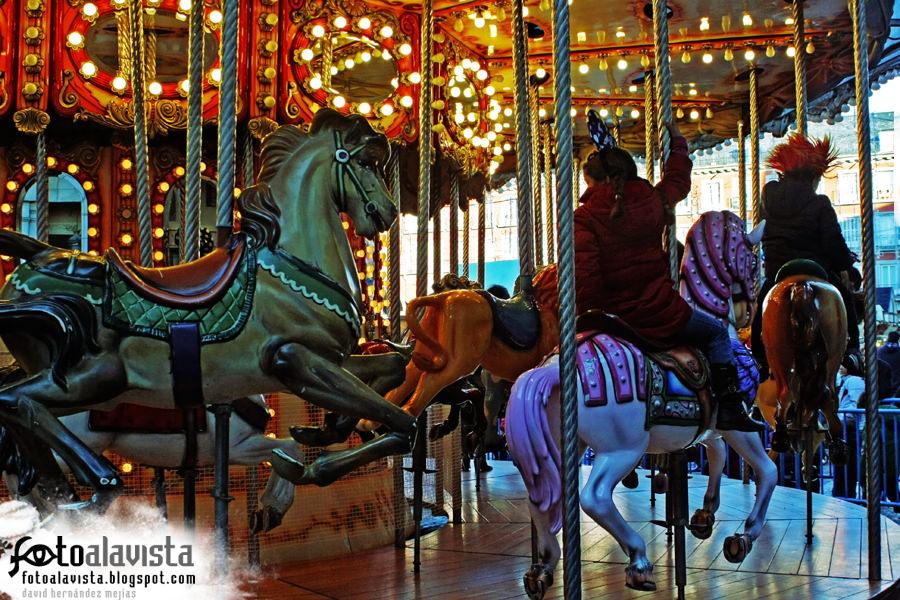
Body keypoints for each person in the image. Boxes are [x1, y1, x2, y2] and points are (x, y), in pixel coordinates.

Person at [573, 111, 763, 432]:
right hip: (662, 316)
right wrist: (676, 142)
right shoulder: (649, 200)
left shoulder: (584, 217)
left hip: (613, 321)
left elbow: (586, 280)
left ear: (594, 180)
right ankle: (730, 406)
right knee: (716, 332)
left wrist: (589, 315)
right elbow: (677, 182)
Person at [750, 134, 859, 375]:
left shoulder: (768, 194)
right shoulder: (820, 202)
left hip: (778, 270)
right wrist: (848, 267)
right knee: (843, 296)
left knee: (763, 304)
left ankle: (758, 355)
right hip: (815, 267)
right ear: (813, 176)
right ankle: (852, 349)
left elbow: (763, 229)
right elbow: (832, 242)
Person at [878, 331, 900, 397]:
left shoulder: (880, 351)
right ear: (898, 339)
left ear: (888, 338)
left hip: (883, 386)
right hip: (897, 385)